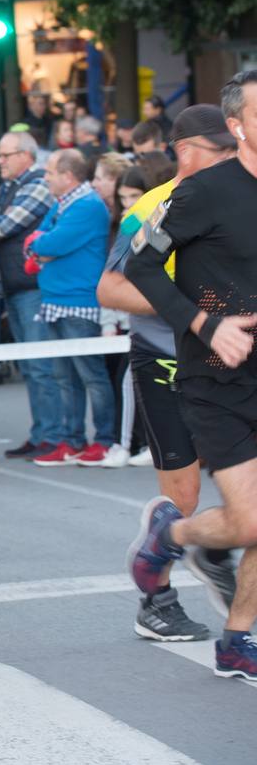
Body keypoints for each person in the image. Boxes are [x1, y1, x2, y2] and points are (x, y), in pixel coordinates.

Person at [127, 72, 257, 679]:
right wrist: (206, 325)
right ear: (238, 125)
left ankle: (236, 640)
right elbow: (141, 267)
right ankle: (172, 536)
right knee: (253, 518)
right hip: (216, 378)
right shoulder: (202, 192)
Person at [99, 103, 237, 642]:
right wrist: (192, 312)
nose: (232, 160)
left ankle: (218, 550)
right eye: (220, 152)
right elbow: (110, 289)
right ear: (185, 154)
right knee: (181, 496)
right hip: (166, 362)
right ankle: (155, 602)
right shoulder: (157, 208)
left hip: (231, 365)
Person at [30, 149, 117, 466]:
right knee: (65, 377)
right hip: (55, 299)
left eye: (50, 172)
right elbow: (36, 239)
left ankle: (105, 440)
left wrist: (42, 247)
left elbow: (49, 243)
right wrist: (41, 246)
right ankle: (73, 440)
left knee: (91, 377)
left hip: (79, 301)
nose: (46, 177)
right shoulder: (62, 203)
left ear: (67, 176)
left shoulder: (88, 206)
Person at [0, 130, 59, 458]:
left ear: (25, 156)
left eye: (5, 155)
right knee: (31, 367)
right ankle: (41, 433)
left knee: (41, 367)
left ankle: (53, 436)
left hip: (31, 289)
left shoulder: (37, 184)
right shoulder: (8, 186)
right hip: (14, 287)